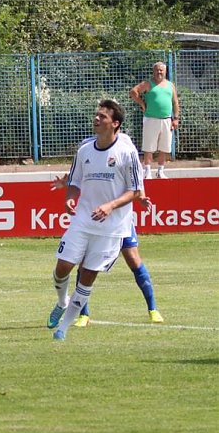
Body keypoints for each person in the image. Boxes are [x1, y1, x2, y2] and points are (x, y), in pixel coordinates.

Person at [46, 99, 143, 341]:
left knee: (87, 276)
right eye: (96, 115)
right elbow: (74, 181)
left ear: (115, 124)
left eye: (103, 116)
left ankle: (63, 329)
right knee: (62, 267)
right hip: (83, 221)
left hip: (112, 228)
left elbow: (135, 191)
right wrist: (70, 197)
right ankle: (61, 301)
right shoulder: (84, 150)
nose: (96, 119)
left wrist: (110, 205)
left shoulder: (127, 152)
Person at [51, 152, 164, 326]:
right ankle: (83, 315)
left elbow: (135, 185)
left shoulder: (127, 154)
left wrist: (141, 198)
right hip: (95, 222)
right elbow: (85, 180)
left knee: (134, 261)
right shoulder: (93, 152)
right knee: (85, 265)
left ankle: (153, 309)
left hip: (120, 223)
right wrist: (67, 183)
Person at [129, 62, 181, 179]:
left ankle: (160, 171)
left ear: (165, 71)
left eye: (161, 70)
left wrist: (176, 118)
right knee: (149, 146)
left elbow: (175, 102)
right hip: (151, 119)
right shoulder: (148, 84)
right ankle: (147, 171)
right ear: (153, 71)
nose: (159, 72)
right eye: (157, 70)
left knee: (165, 147)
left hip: (166, 120)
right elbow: (133, 92)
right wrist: (142, 103)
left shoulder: (170, 85)